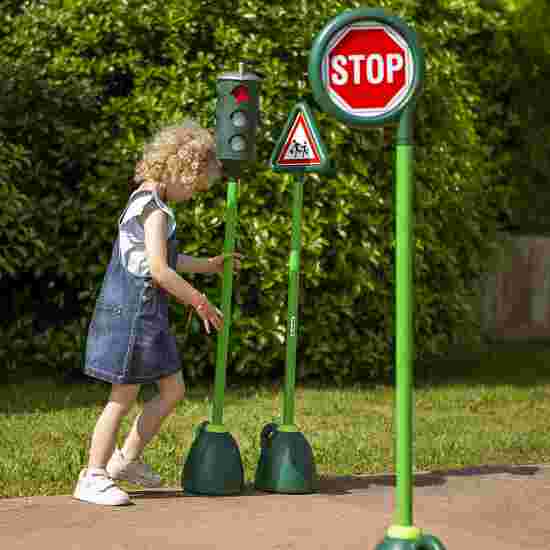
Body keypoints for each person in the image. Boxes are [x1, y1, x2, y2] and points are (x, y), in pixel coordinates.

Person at [73, 120, 242, 506]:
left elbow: (164, 259)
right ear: (182, 171)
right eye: (195, 187)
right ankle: (93, 474)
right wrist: (199, 300)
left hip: (147, 315)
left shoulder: (153, 203)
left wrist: (209, 264)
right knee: (123, 395)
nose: (194, 195)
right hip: (133, 314)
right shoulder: (153, 208)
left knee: (172, 389)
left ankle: (125, 461)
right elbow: (160, 270)